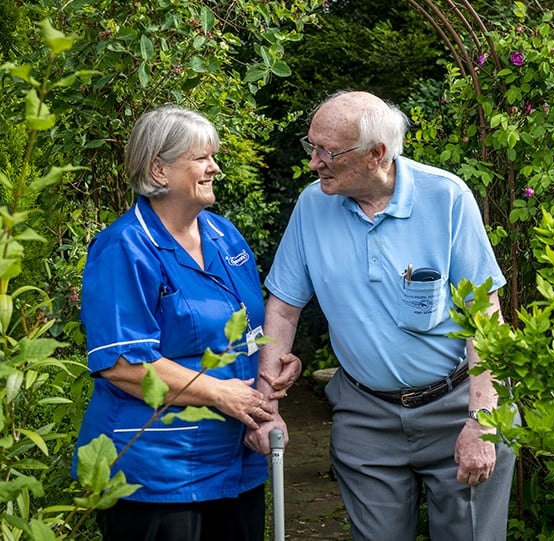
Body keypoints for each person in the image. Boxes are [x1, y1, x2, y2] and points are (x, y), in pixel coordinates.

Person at [245, 91, 517, 540]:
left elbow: (484, 314)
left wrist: (481, 421)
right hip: (364, 412)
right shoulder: (312, 205)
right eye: (311, 146)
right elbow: (284, 309)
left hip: (458, 403)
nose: (314, 162)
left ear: (377, 154)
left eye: (328, 151)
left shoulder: (446, 197)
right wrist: (266, 406)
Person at [72, 105, 297, 541]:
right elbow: (122, 363)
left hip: (237, 462)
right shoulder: (124, 247)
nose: (214, 167)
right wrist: (220, 392)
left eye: (213, 156)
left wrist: (273, 380)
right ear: (159, 169)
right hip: (157, 473)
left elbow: (250, 332)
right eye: (201, 157)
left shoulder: (223, 234)